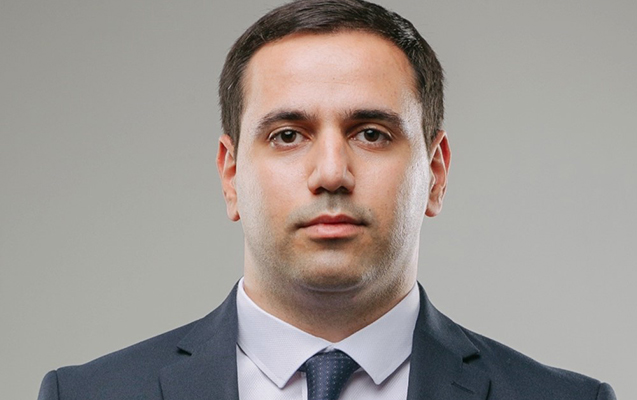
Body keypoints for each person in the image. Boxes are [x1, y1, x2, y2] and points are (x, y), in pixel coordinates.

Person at [37, 0, 616, 399]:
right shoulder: (84, 395)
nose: (332, 173)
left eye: (372, 134)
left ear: (436, 174)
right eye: (288, 135)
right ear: (231, 175)